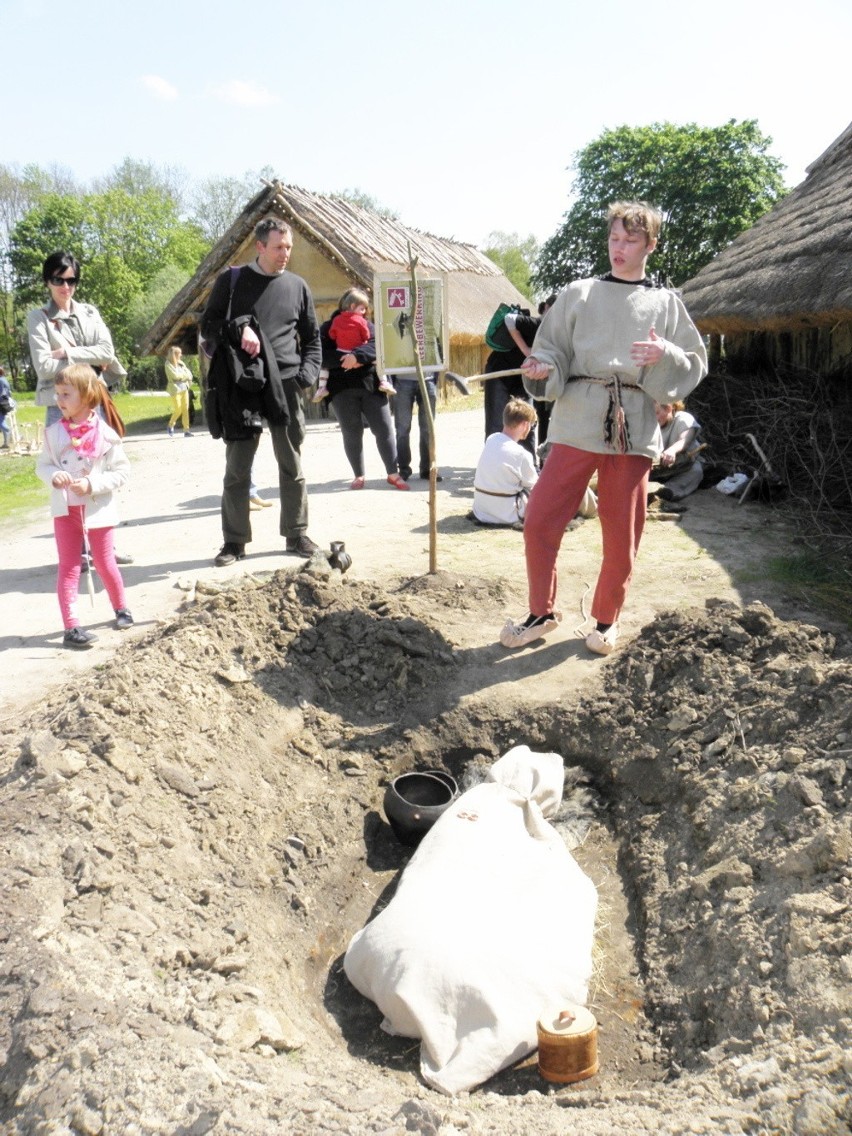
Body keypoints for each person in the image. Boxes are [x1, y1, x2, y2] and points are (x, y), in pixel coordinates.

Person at [500, 200, 707, 656]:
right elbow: (552, 348)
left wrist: (664, 356)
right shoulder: (579, 293)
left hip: (633, 423)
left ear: (650, 244)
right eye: (614, 237)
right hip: (578, 416)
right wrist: (541, 366)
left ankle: (606, 621)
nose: (620, 247)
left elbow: (694, 362)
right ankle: (541, 611)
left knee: (621, 536)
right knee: (538, 521)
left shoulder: (666, 303)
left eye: (631, 240)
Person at [202, 218, 322, 566]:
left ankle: (296, 534)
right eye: (278, 248)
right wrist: (240, 330)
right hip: (244, 384)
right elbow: (208, 326)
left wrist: (304, 376)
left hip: (286, 384)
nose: (284, 254)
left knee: (291, 463)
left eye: (288, 248)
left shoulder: (298, 286)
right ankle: (234, 542)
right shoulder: (232, 281)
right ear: (260, 247)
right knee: (238, 468)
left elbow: (312, 338)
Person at [27, 251, 133, 568]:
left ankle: (103, 546)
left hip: (92, 406)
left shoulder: (88, 312)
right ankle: (79, 550)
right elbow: (44, 366)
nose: (65, 286)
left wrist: (69, 351)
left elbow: (107, 351)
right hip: (59, 406)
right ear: (48, 281)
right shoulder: (39, 317)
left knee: (97, 474)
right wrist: (87, 358)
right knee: (67, 479)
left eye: (71, 280)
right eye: (59, 279)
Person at [36, 364, 133, 649]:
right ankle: (71, 627)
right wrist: (54, 476)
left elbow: (121, 472)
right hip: (66, 512)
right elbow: (43, 465)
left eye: (66, 394)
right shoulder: (53, 434)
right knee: (68, 567)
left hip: (97, 512)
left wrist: (92, 484)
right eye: (57, 394)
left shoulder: (106, 435)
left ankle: (121, 608)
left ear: (88, 396)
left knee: (105, 562)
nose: (59, 400)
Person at [318, 288, 409, 491]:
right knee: (351, 431)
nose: (366, 311)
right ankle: (358, 475)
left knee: (384, 428)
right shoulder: (327, 327)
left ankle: (392, 473)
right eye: (363, 307)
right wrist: (345, 361)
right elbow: (320, 353)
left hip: (371, 385)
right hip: (341, 388)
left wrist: (358, 357)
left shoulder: (369, 325)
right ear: (350, 305)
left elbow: (378, 346)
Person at [482, 296, 555, 459]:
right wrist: (527, 351)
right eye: (553, 309)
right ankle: (493, 463)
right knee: (496, 422)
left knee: (527, 421)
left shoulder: (555, 334)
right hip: (499, 372)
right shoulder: (535, 324)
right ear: (545, 308)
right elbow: (509, 319)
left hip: (523, 378)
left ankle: (529, 464)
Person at [472, 399, 538, 525]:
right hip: (508, 514)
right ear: (525, 425)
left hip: (481, 511)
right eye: (532, 424)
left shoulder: (491, 439)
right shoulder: (522, 454)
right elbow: (533, 485)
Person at [392, 370, 442, 482]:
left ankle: (427, 469)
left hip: (427, 379)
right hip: (402, 380)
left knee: (428, 429)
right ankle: (404, 469)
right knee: (402, 429)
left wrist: (434, 378)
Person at [650, 401, 705, 502]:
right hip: (655, 469)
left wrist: (672, 450)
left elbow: (685, 439)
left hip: (683, 466)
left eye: (657, 413)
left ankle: (665, 492)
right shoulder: (649, 423)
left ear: (669, 408)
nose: (654, 417)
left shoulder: (683, 418)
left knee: (696, 471)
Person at [164, 345, 194, 438]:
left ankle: (186, 430)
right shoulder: (168, 364)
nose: (181, 355)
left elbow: (189, 374)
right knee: (178, 409)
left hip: (184, 388)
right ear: (175, 354)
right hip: (175, 389)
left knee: (185, 409)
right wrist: (184, 376)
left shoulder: (181, 363)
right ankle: (171, 424)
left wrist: (184, 377)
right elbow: (175, 376)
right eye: (179, 353)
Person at [0, 366, 15, 449]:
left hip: (2, 403)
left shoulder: (0, 380)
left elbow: (2, 393)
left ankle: (10, 434)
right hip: (6, 402)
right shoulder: (3, 379)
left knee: (1, 422)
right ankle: (7, 442)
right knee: (2, 421)